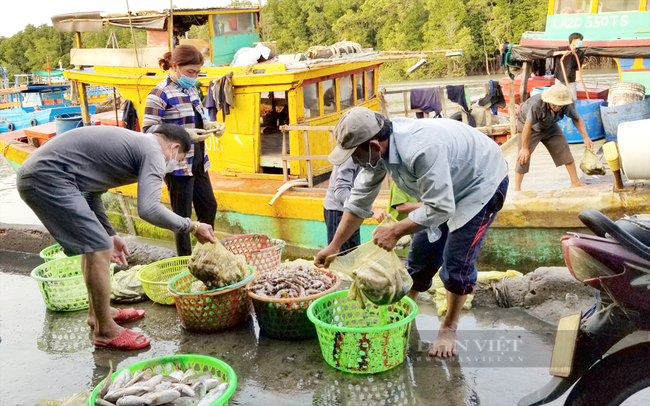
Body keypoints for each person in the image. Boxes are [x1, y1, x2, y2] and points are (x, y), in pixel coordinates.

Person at [314, 107, 509, 358]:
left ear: (373, 144)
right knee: (421, 254)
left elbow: (441, 207)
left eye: (354, 154)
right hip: (443, 190)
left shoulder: (420, 149)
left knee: (456, 262)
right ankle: (406, 308)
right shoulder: (377, 153)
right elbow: (358, 203)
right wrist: (335, 246)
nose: (353, 161)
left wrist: (395, 230)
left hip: (481, 184)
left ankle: (449, 327)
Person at [17, 124, 217, 350]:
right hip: (47, 178)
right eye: (178, 159)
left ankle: (98, 315)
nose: (173, 165)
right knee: (98, 248)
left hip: (47, 175)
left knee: (97, 245)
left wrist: (110, 233)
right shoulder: (154, 151)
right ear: (174, 146)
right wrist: (192, 226)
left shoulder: (136, 145)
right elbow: (149, 209)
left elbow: (91, 193)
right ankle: (105, 330)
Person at [143, 44, 224, 256]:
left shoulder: (191, 89)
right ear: (175, 66)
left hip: (198, 161)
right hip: (177, 165)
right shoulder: (159, 94)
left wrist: (210, 125)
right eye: (190, 72)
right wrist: (183, 133)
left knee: (209, 207)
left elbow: (199, 118)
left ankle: (207, 254)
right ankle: (185, 262)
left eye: (197, 73)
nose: (194, 76)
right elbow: (148, 130)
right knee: (182, 217)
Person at [515, 84, 594, 191]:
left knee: (563, 148)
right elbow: (527, 126)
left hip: (549, 125)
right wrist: (524, 148)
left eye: (559, 105)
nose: (557, 107)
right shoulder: (536, 104)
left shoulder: (568, 104)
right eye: (554, 104)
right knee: (523, 157)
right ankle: (517, 188)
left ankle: (575, 181)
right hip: (529, 127)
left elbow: (577, 118)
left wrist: (586, 137)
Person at [323, 157, 388, 253]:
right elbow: (341, 192)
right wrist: (372, 210)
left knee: (354, 252)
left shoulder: (372, 157)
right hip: (338, 210)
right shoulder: (350, 156)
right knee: (340, 255)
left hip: (356, 210)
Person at [387, 182, 422, 258]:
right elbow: (401, 207)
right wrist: (428, 206)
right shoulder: (401, 181)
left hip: (417, 239)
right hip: (400, 242)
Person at [547, 32, 585, 100]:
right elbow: (549, 53)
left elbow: (578, 67)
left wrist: (578, 76)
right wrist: (562, 52)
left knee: (573, 99)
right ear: (573, 41)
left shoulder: (580, 53)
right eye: (579, 40)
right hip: (560, 78)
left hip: (571, 79)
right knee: (558, 98)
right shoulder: (562, 49)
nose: (581, 42)